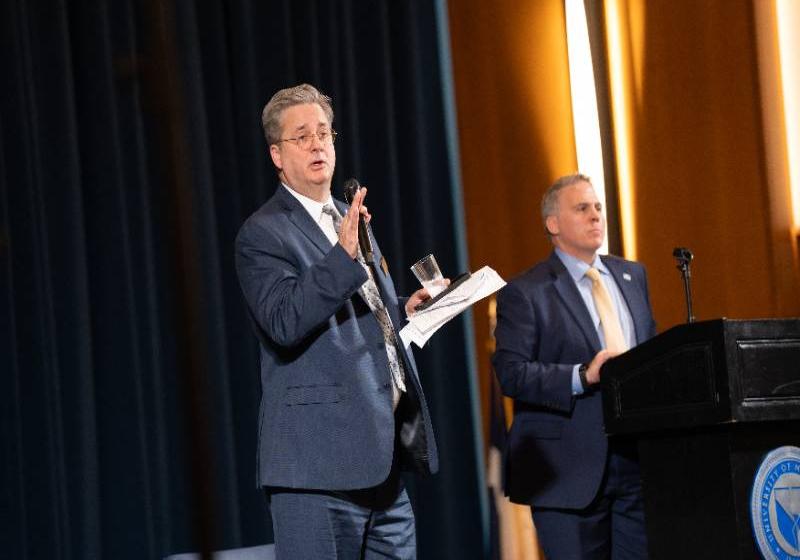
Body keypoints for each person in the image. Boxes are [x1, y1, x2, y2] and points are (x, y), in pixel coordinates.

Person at [235, 83, 438, 559]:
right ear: (277, 155)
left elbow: (361, 314)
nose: (317, 143)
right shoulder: (262, 233)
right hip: (316, 468)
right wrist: (344, 256)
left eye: (324, 133)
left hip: (384, 463)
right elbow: (284, 321)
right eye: (301, 136)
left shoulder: (351, 220)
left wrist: (406, 307)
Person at [492, 173, 657, 559]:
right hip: (567, 474)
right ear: (553, 224)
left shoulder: (633, 276)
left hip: (636, 464)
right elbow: (511, 373)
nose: (595, 215)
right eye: (582, 208)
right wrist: (581, 376)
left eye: (597, 207)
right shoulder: (526, 291)